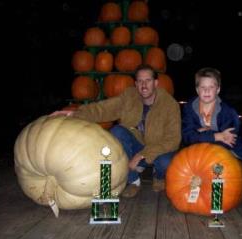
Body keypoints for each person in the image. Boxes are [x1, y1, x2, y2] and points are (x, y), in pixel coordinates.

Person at [55, 64, 181, 198]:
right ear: (135, 83)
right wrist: (73, 113)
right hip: (136, 144)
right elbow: (103, 109)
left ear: (156, 83)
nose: (144, 85)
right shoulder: (129, 97)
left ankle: (159, 176)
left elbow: (173, 140)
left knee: (165, 162)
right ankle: (133, 181)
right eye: (140, 81)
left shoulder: (170, 104)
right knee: (118, 131)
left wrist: (142, 155)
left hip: (157, 148)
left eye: (148, 81)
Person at [182, 67, 242, 203]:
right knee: (214, 171)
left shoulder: (228, 112)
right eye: (203, 87)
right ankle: (209, 202)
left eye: (211, 87)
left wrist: (203, 133)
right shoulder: (189, 108)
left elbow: (227, 139)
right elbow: (187, 137)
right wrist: (216, 135)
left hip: (230, 149)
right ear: (197, 90)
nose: (207, 91)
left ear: (218, 89)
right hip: (198, 152)